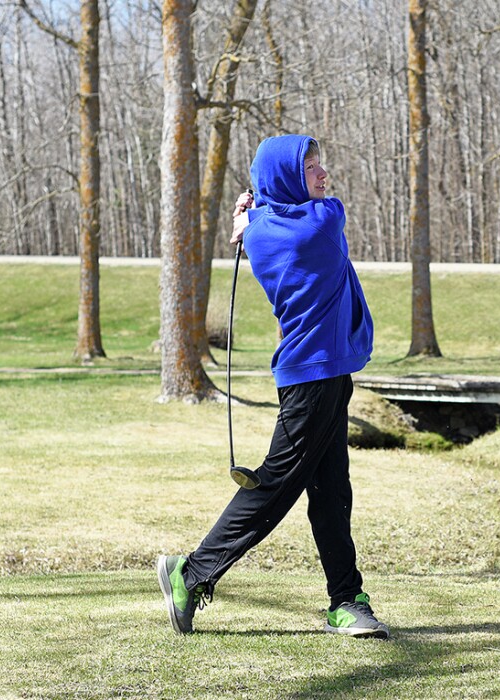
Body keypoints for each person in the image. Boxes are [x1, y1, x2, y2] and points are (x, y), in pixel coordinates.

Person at [156, 134, 389, 638]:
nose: (323, 175)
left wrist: (252, 212)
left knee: (332, 494)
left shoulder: (258, 233)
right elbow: (323, 211)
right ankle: (191, 573)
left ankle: (346, 602)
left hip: (323, 375)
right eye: (310, 168)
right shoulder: (323, 224)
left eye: (320, 163)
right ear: (287, 180)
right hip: (312, 379)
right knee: (275, 489)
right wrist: (256, 211)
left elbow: (270, 216)